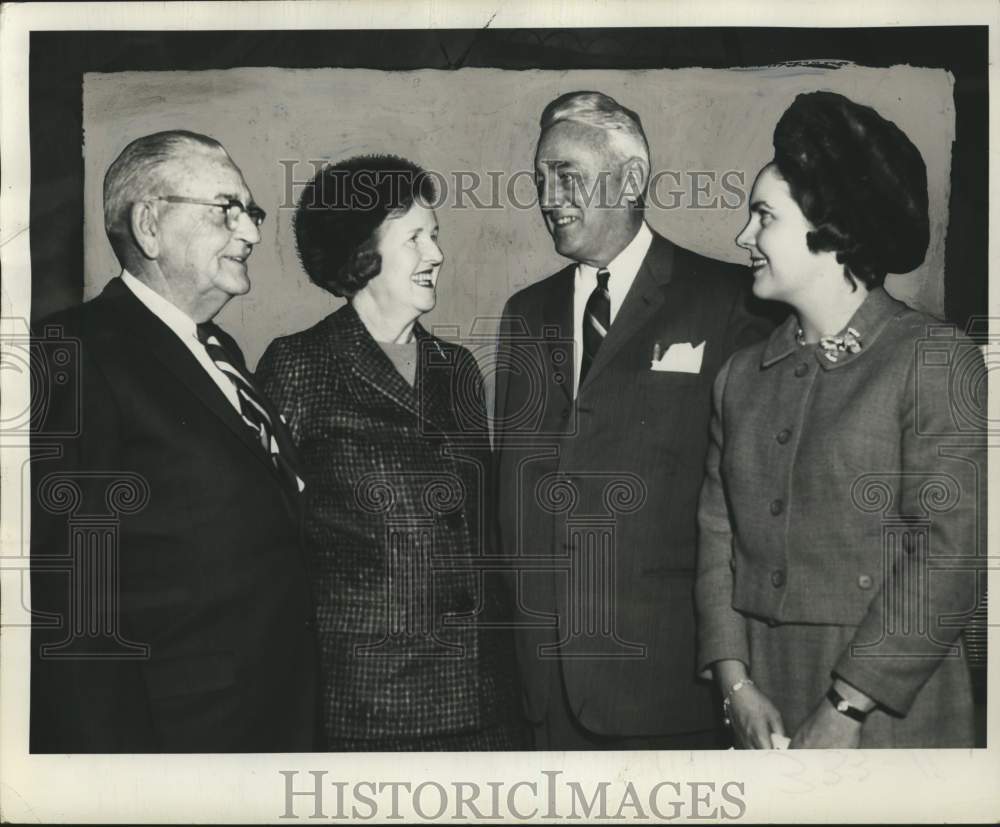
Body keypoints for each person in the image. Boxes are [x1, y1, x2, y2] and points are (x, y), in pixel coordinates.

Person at [695, 91, 985, 748]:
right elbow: (716, 541)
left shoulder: (932, 359)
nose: (744, 238)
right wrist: (735, 686)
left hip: (888, 706)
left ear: (830, 228)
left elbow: (950, 555)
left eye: (763, 216)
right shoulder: (740, 377)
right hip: (763, 694)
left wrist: (845, 707)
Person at [492, 91, 774, 750]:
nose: (548, 197)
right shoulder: (524, 315)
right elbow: (515, 499)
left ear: (630, 180)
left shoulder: (729, 302)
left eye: (567, 175)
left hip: (672, 692)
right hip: (546, 696)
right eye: (540, 179)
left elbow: (752, 510)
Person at [29, 130, 317, 752]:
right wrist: (120, 780)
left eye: (252, 211)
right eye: (227, 209)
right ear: (150, 225)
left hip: (269, 719)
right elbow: (70, 604)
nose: (252, 233)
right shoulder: (73, 351)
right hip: (176, 741)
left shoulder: (221, 350)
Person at [257, 155, 523, 751]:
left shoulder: (457, 368)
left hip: (487, 700)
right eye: (415, 238)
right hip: (372, 705)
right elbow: (269, 546)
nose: (437, 254)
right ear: (362, 255)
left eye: (435, 236)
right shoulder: (298, 365)